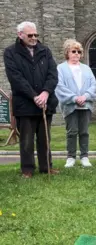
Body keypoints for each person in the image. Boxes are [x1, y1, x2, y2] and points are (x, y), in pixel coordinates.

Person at [4, 21, 60, 178]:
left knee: (44, 138)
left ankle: (46, 167)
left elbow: (52, 74)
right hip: (25, 103)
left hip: (45, 102)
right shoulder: (10, 52)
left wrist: (45, 93)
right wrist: (34, 96)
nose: (34, 38)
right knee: (27, 139)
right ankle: (27, 169)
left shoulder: (45, 51)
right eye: (30, 35)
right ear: (20, 35)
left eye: (36, 35)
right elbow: (16, 78)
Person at [55, 39, 96, 168]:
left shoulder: (86, 68)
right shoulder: (61, 68)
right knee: (72, 131)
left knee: (84, 132)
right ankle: (70, 157)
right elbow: (59, 86)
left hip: (85, 105)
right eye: (74, 51)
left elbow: (94, 84)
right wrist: (74, 98)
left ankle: (84, 156)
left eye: (79, 51)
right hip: (70, 105)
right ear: (67, 52)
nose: (77, 54)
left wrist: (85, 96)